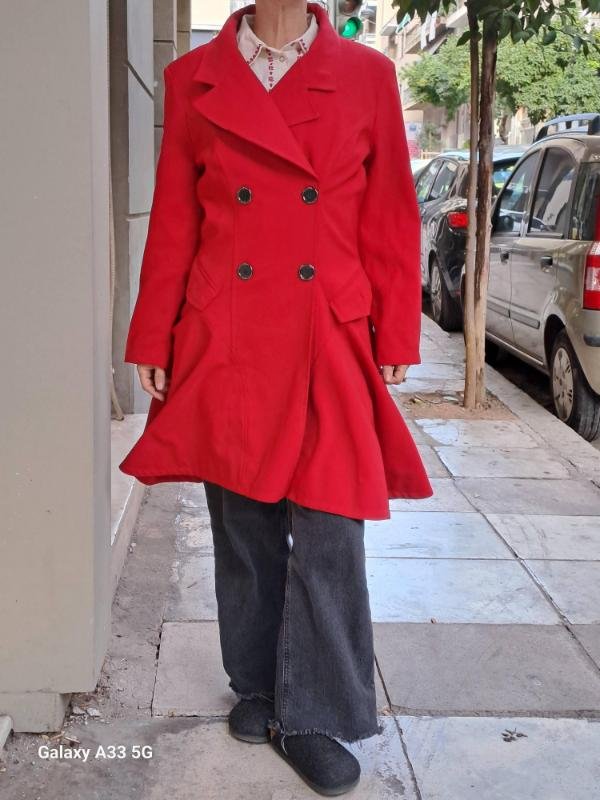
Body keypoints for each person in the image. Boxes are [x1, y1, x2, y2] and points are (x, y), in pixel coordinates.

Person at [119, 0, 433, 794]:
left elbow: (392, 213)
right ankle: (258, 684)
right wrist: (154, 334)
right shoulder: (193, 78)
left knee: (330, 528)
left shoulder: (367, 76)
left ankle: (317, 711)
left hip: (327, 328)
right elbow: (177, 219)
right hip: (228, 328)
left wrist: (395, 330)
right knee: (246, 520)